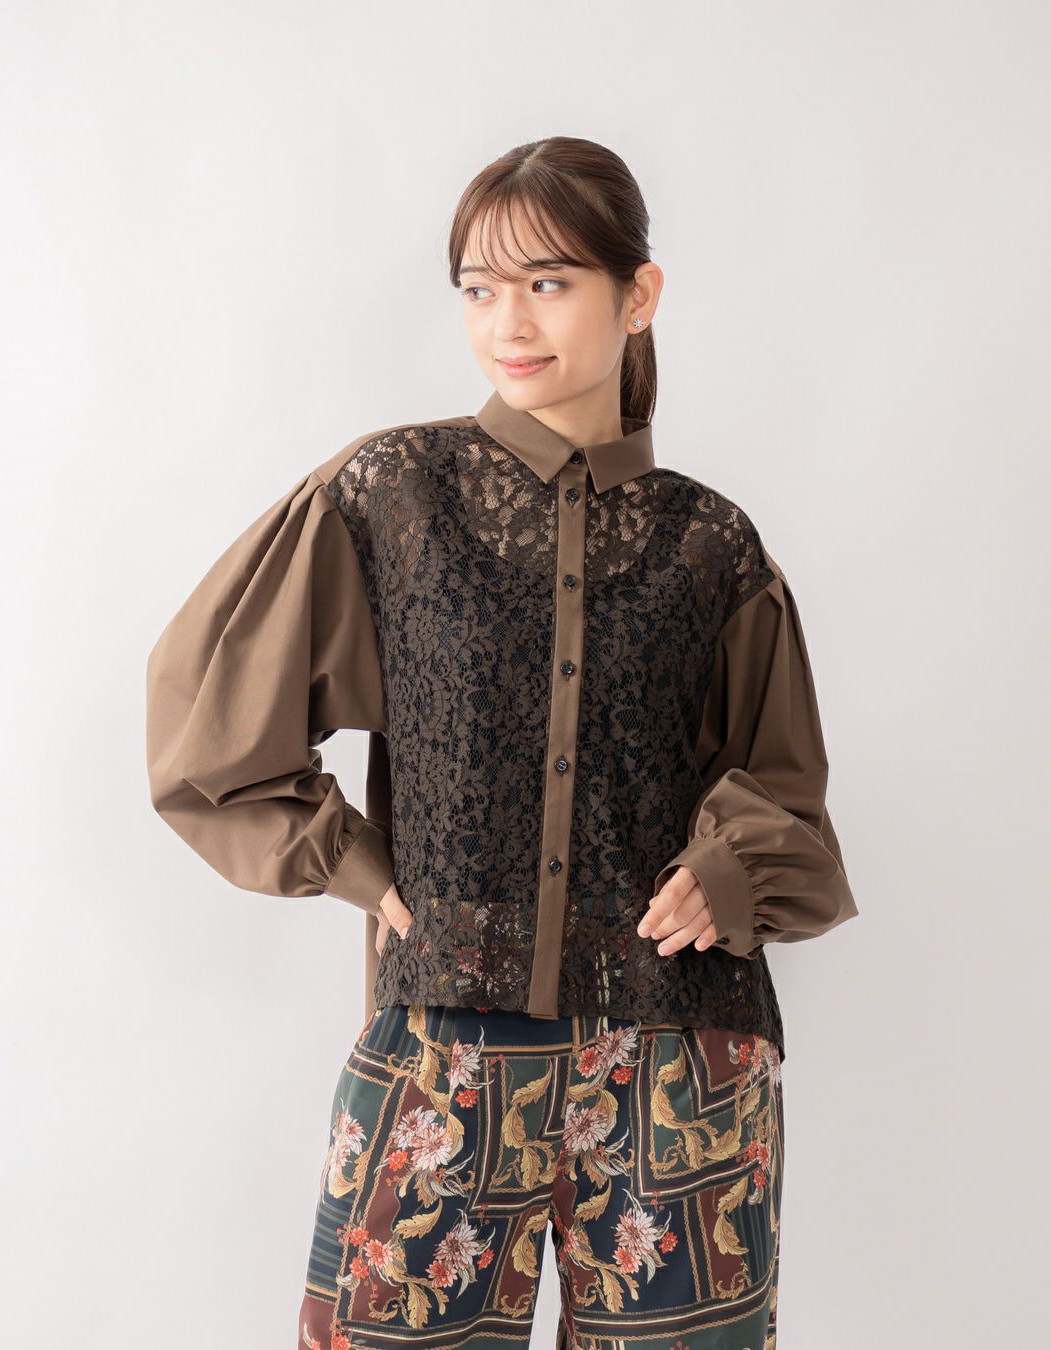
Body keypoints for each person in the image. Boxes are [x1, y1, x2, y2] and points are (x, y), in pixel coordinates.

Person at [145, 135, 858, 1350]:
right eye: (479, 288)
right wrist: (354, 863)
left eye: (548, 282)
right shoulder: (391, 497)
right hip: (443, 1055)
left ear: (638, 295)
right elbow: (209, 729)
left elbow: (784, 790)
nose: (508, 323)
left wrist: (732, 867)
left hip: (681, 1065)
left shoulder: (713, 545)